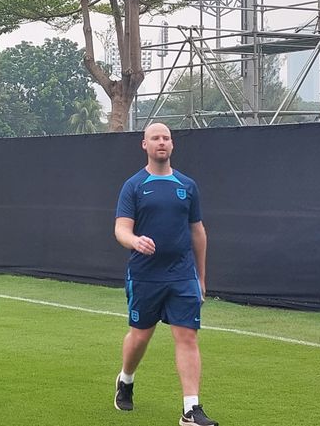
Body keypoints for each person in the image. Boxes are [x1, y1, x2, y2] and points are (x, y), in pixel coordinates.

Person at [113, 123, 217, 426]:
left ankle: (191, 409)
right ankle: (126, 379)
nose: (162, 142)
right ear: (144, 145)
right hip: (145, 276)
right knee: (141, 335)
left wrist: (200, 278)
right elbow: (121, 228)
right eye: (155, 138)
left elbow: (198, 232)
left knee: (187, 337)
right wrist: (135, 241)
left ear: (172, 145)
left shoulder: (187, 185)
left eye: (166, 138)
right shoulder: (133, 185)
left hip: (182, 275)